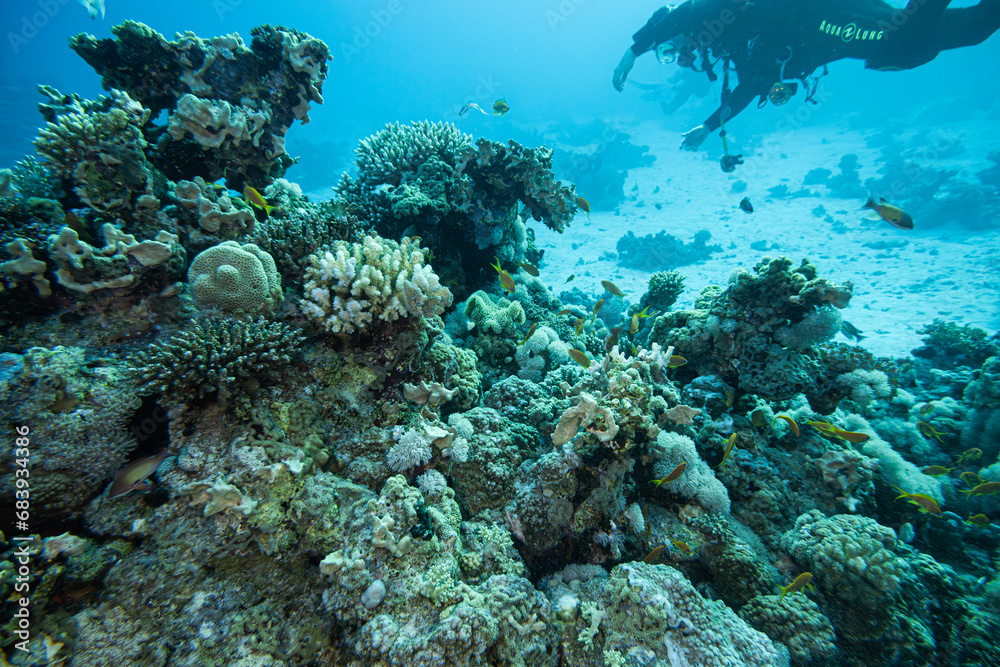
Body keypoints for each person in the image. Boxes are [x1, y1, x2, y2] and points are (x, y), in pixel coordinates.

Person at [613, 0, 1000, 151]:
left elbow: (685, 13)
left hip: (817, 18)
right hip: (827, 36)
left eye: (669, 50)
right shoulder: (729, 45)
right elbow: (749, 87)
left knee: (900, 43)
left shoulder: (709, 13)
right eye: (666, 58)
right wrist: (708, 127)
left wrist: (635, 50)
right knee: (968, 30)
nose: (678, 58)